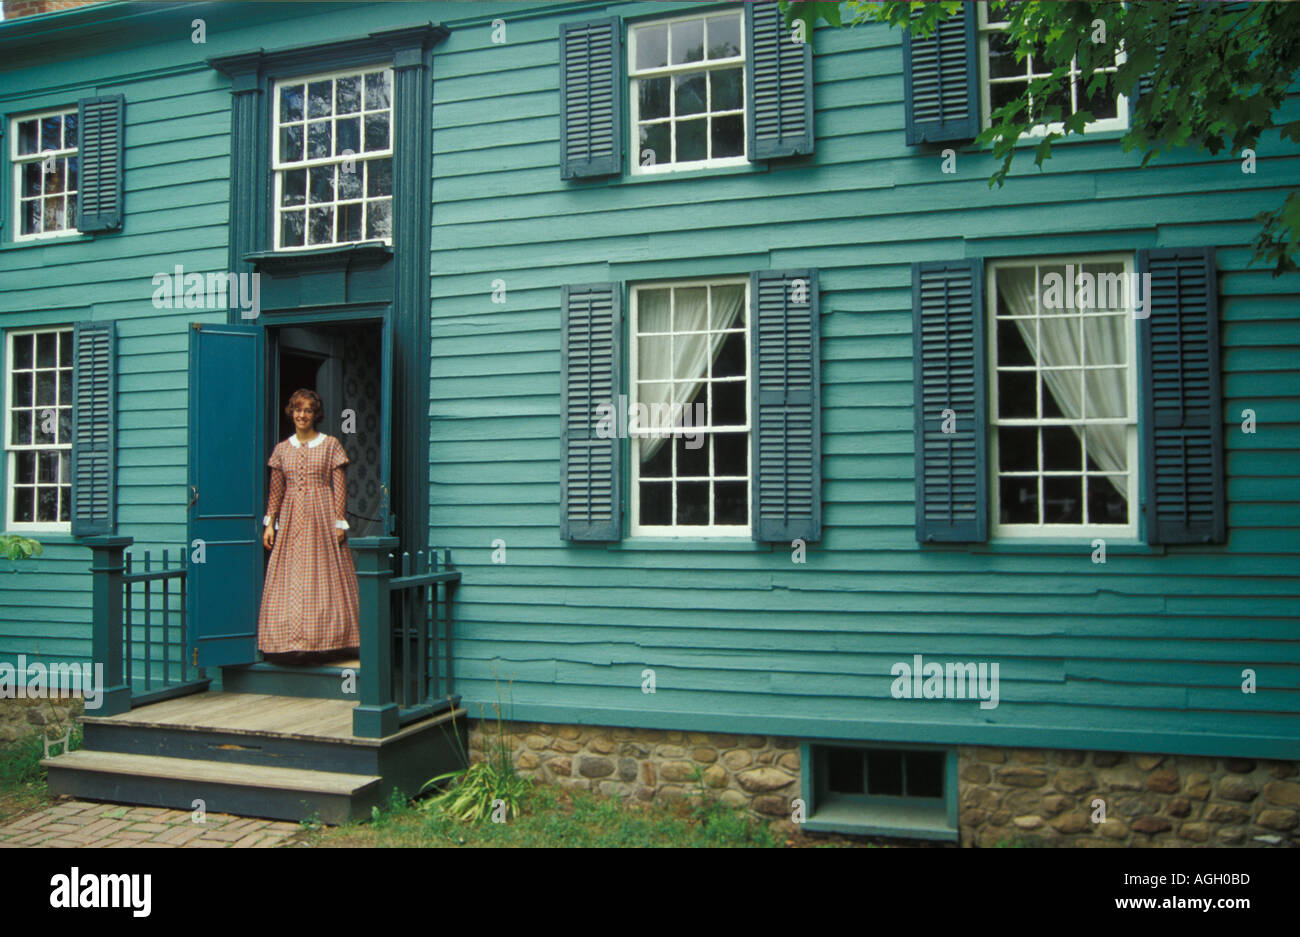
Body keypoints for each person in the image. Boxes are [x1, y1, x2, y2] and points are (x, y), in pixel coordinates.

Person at [258, 388, 360, 664]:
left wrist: (339, 523)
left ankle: (327, 641)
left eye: (308, 411)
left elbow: (339, 489)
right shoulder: (282, 449)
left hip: (323, 516)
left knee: (322, 574)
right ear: (291, 413)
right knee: (291, 575)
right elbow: (276, 490)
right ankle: (291, 642)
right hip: (291, 518)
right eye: (298, 410)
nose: (302, 415)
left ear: (316, 415)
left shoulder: (331, 445)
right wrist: (270, 523)